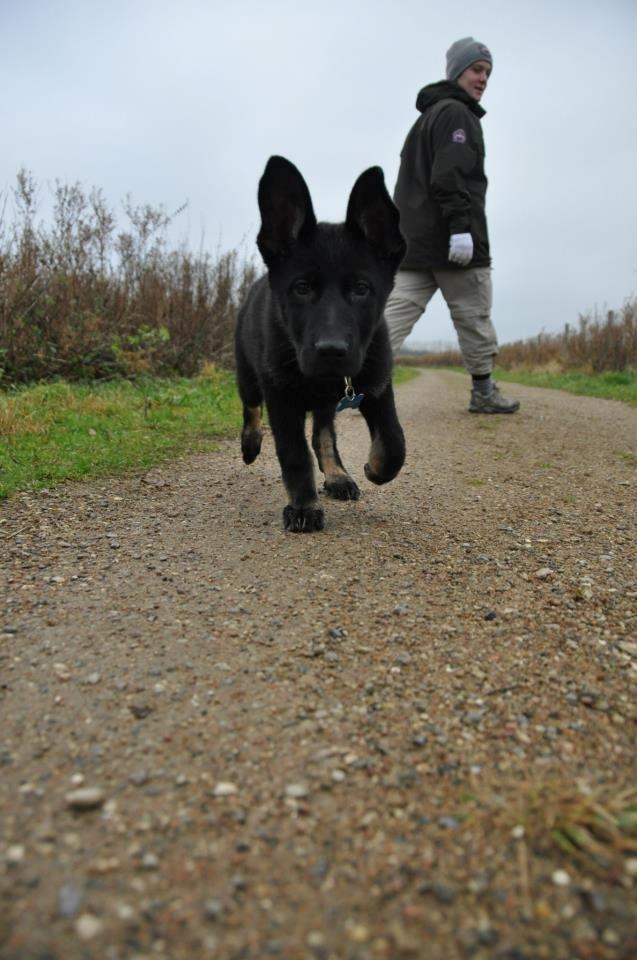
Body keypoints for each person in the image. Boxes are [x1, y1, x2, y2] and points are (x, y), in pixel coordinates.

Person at [385, 37, 520, 413]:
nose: (484, 79)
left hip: (414, 247)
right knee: (473, 318)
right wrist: (462, 229)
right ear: (458, 71)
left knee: (387, 323)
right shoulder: (457, 115)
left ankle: (345, 388)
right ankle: (483, 393)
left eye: (488, 72)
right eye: (477, 70)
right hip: (453, 245)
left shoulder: (424, 119)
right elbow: (450, 176)